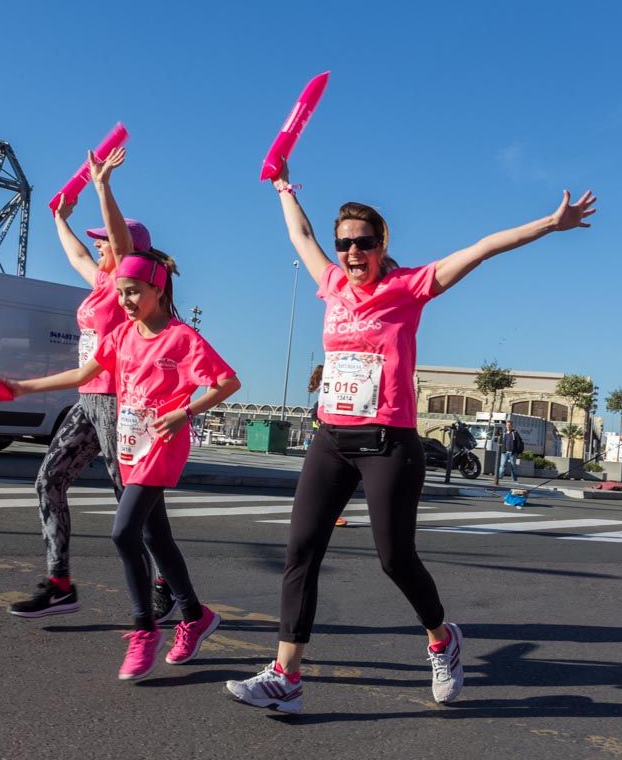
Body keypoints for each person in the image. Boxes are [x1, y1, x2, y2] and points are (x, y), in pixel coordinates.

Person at [224, 159, 595, 713]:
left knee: (395, 558)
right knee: (300, 551)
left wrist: (548, 223)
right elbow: (300, 234)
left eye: (364, 242)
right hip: (331, 439)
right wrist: (282, 187)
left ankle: (442, 639)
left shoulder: (409, 287)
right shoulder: (329, 284)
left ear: (381, 245)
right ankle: (287, 675)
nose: (352, 253)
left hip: (388, 444)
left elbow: (482, 248)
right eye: (345, 243)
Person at [0, 244, 241, 681]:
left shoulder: (182, 339)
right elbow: (82, 376)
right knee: (157, 538)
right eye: (122, 293)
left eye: (134, 292)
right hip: (130, 446)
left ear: (157, 289)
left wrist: (184, 412)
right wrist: (21, 387)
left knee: (124, 532)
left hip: (162, 446)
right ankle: (195, 616)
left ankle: (144, 629)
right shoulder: (123, 335)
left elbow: (227, 382)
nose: (126, 301)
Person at [8, 148, 171, 623]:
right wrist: (59, 217)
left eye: (105, 242)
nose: (97, 246)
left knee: (134, 507)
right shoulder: (101, 283)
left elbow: (120, 244)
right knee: (48, 480)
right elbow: (78, 252)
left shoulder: (125, 289)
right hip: (87, 401)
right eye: (98, 242)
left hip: (121, 405)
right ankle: (59, 583)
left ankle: (165, 585)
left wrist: (103, 186)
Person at [308, 364, 347, 527]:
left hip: (323, 437)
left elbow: (315, 414)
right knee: (334, 481)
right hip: (332, 437)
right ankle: (331, 514)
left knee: (325, 480)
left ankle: (324, 513)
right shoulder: (330, 386)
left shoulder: (322, 388)